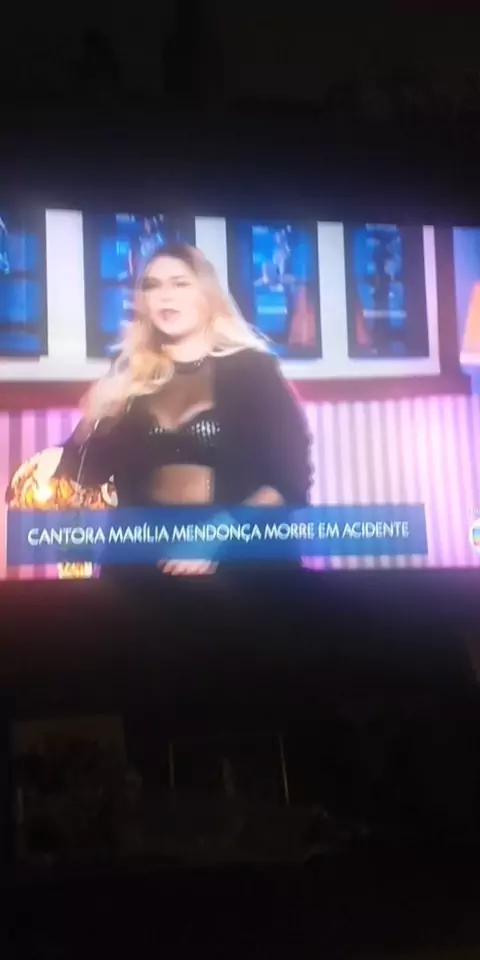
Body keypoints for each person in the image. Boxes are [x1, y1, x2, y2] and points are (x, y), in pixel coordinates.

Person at [33, 243, 312, 577]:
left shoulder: (253, 369)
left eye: (180, 283)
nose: (166, 296)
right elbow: (82, 474)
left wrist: (217, 534)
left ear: (206, 294)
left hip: (240, 566)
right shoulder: (129, 374)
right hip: (142, 569)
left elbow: (291, 476)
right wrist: (94, 416)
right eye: (153, 286)